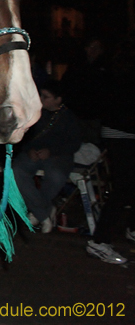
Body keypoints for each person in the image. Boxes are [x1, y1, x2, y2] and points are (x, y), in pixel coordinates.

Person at [86, 39, 134, 265]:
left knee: (128, 185)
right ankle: (99, 241)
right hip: (119, 132)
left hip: (124, 131)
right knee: (124, 187)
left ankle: (132, 228)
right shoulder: (119, 71)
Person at [12, 79, 81, 233]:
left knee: (56, 175)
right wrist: (29, 149)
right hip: (33, 153)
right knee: (16, 171)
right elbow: (23, 135)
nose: (41, 100)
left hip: (58, 155)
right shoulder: (33, 112)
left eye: (46, 97)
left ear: (58, 99)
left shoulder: (68, 117)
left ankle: (39, 211)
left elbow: (74, 143)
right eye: (40, 96)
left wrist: (52, 151)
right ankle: (43, 214)